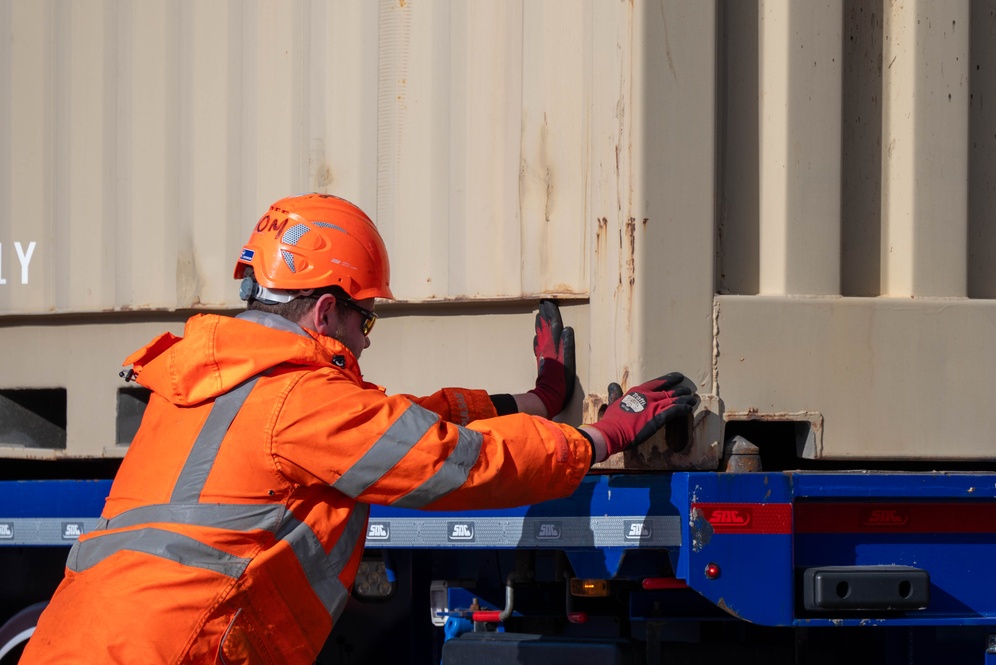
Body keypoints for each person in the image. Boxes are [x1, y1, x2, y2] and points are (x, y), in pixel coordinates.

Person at [21, 193, 697, 665]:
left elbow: (392, 426)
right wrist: (599, 437)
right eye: (364, 318)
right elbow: (451, 463)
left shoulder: (211, 383)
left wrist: (534, 399)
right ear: (323, 311)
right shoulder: (297, 399)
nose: (366, 340)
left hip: (79, 643)